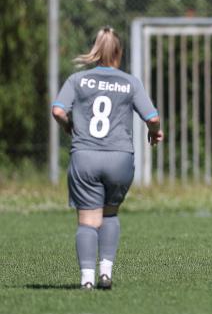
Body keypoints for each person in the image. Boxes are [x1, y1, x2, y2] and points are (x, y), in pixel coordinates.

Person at [51, 27, 163, 289]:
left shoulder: (77, 80)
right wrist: (154, 132)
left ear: (95, 49)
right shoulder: (130, 82)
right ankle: (105, 273)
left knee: (88, 222)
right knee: (110, 215)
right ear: (119, 52)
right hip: (119, 158)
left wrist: (68, 126)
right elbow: (153, 118)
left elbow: (57, 110)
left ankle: (87, 279)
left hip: (86, 157)